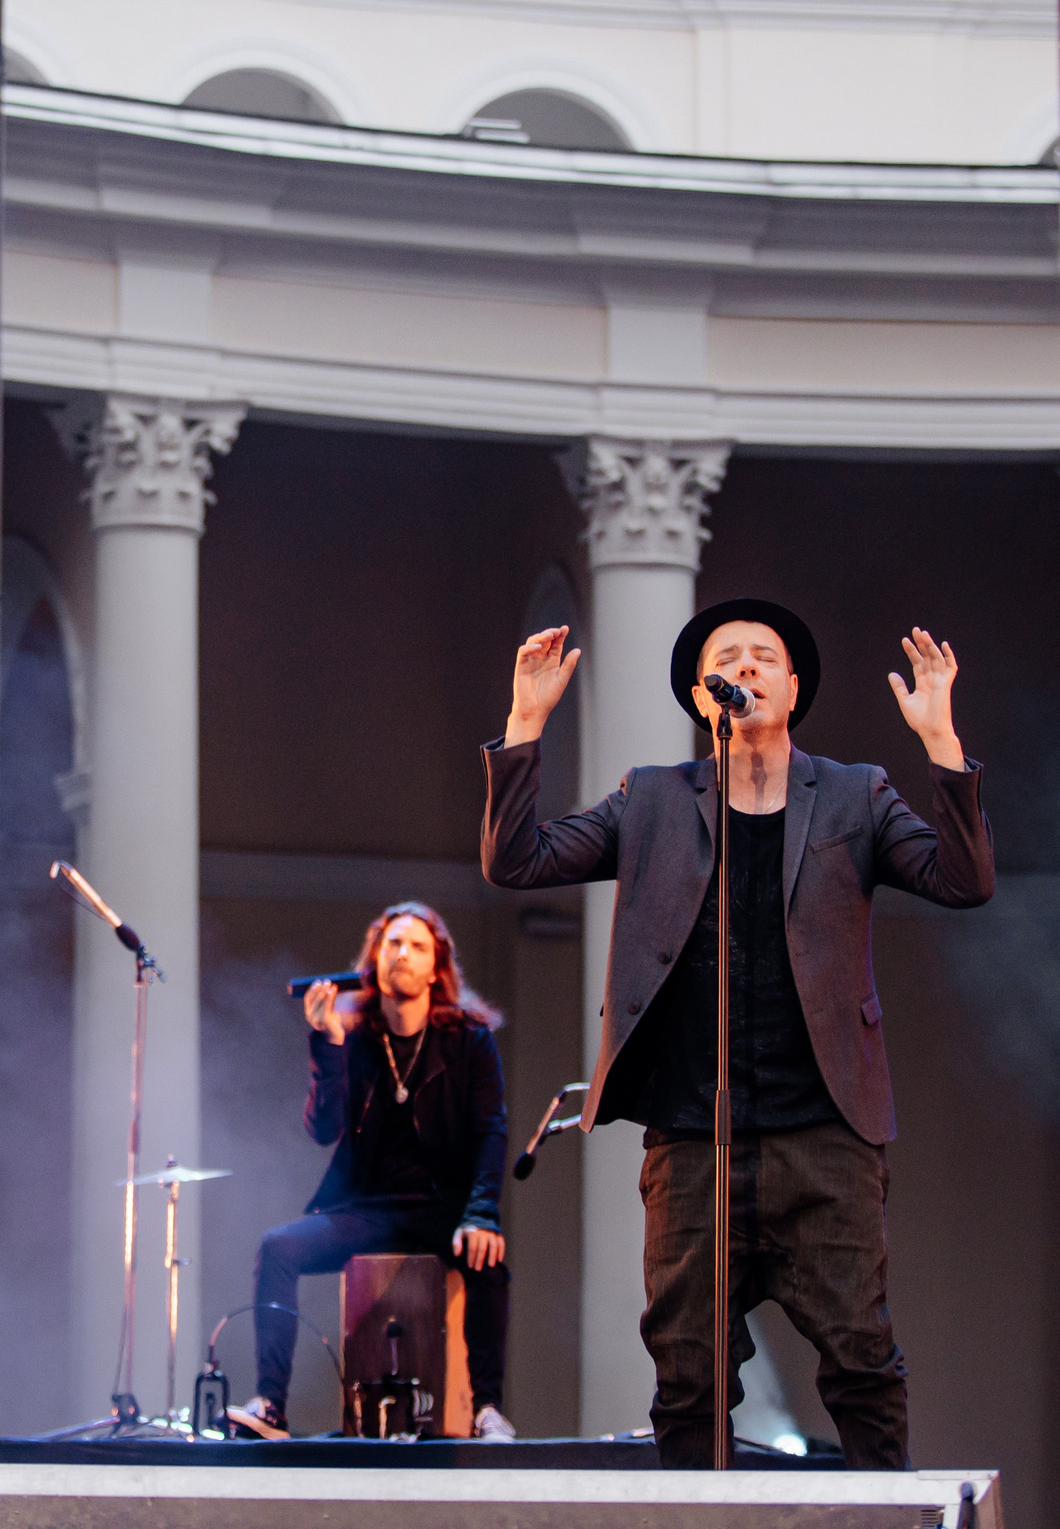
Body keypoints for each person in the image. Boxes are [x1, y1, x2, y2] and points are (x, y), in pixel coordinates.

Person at [480, 599, 994, 1468]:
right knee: (687, 1379)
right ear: (701, 690)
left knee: (863, 1365)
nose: (749, 666)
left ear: (793, 687)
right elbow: (517, 860)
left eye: (766, 656)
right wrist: (525, 723)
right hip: (691, 1136)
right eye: (731, 657)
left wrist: (941, 744)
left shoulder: (855, 794)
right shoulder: (649, 799)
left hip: (825, 1134)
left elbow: (963, 878)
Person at [241, 901, 514, 1439]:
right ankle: (270, 1405)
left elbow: (491, 1131)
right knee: (277, 1249)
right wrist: (326, 1043)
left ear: (436, 966)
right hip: (365, 1210)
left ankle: (486, 1410)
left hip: (440, 1208)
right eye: (392, 944)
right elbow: (322, 1128)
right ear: (374, 959)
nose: (402, 955)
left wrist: (481, 1212)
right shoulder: (355, 1035)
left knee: (489, 1263)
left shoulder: (468, 1040)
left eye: (416, 946)